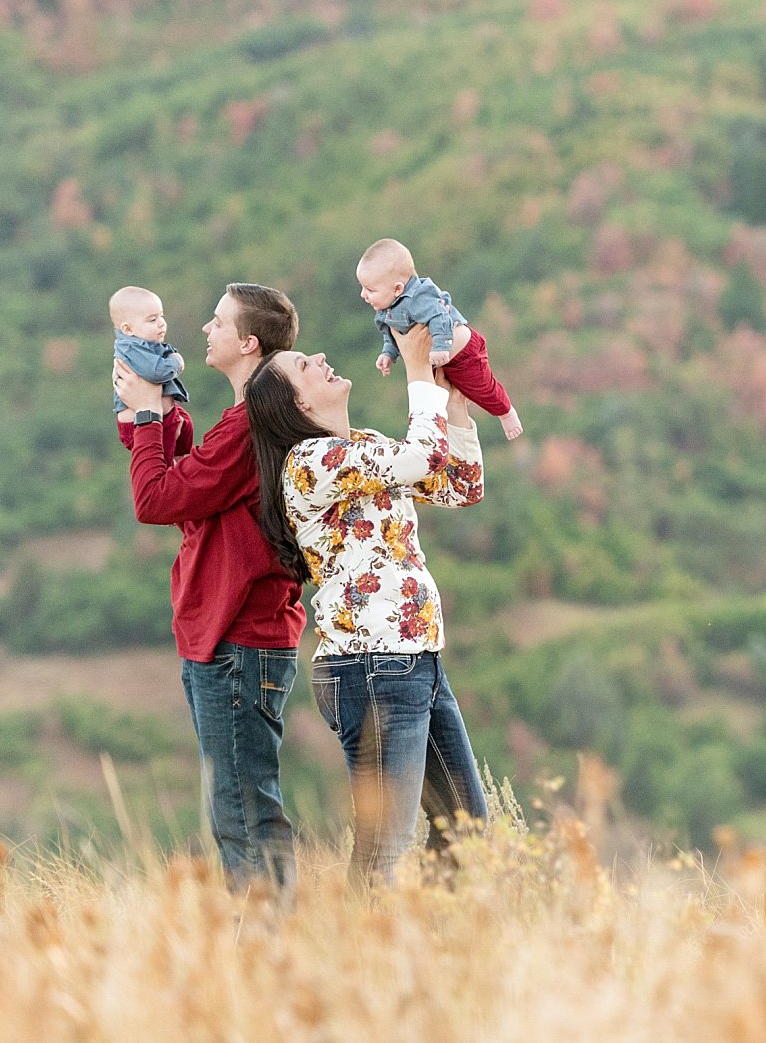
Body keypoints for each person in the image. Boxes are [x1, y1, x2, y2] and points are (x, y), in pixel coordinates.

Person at [243, 321, 489, 886]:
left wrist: (455, 408)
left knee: (465, 826)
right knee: (388, 846)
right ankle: (362, 960)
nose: (321, 357)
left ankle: (435, 949)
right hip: (371, 666)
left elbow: (459, 486)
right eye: (305, 366)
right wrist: (417, 372)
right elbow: (421, 461)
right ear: (295, 405)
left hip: (415, 660)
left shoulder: (369, 448)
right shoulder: (309, 463)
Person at [111, 282, 306, 898]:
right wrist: (159, 423)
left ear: (247, 343)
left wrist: (147, 416)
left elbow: (157, 500)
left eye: (218, 322)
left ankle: (264, 951)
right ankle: (266, 942)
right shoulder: (246, 424)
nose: (203, 329)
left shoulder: (248, 427)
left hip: (235, 641)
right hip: (233, 638)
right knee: (244, 808)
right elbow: (195, 502)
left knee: (242, 814)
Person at [357, 236, 524, 440]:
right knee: (437, 401)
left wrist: (440, 345)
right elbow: (391, 335)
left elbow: (440, 316)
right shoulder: (385, 310)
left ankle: (506, 413)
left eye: (370, 289)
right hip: (436, 361)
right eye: (363, 288)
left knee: (481, 388)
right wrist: (388, 353)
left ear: (398, 288)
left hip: (463, 353)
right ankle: (445, 442)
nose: (363, 295)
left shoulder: (419, 298)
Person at [109, 285, 188, 411]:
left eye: (162, 316)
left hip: (160, 418)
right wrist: (176, 362)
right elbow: (158, 372)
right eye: (152, 319)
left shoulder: (145, 344)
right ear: (128, 329)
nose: (161, 323)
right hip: (141, 421)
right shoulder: (131, 348)